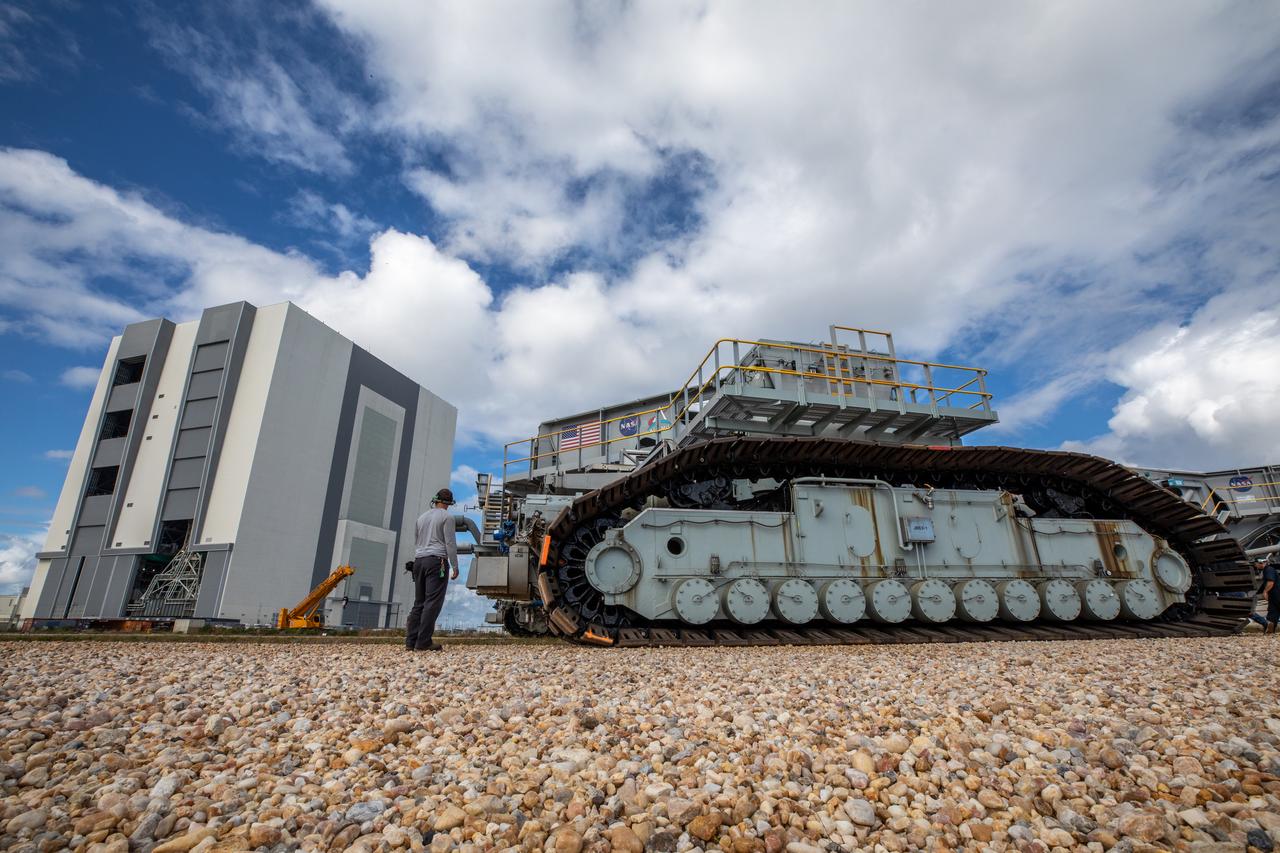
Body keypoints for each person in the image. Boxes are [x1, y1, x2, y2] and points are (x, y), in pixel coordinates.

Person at [405, 488, 459, 651]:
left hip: (419, 561)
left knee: (419, 602)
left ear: (435, 500)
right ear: (449, 503)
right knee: (432, 603)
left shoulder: (421, 517)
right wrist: (455, 566)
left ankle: (411, 642)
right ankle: (423, 642)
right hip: (437, 561)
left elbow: (417, 540)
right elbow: (449, 543)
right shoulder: (447, 517)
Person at [1263, 557, 1280, 636]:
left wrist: (1265, 591)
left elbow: (1271, 582)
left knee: (1273, 612)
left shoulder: (1269, 569)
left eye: (1255, 563)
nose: (1254, 565)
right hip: (1274, 595)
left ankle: (1270, 631)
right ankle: (1270, 631)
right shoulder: (1269, 569)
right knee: (1272, 612)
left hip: (1277, 594)